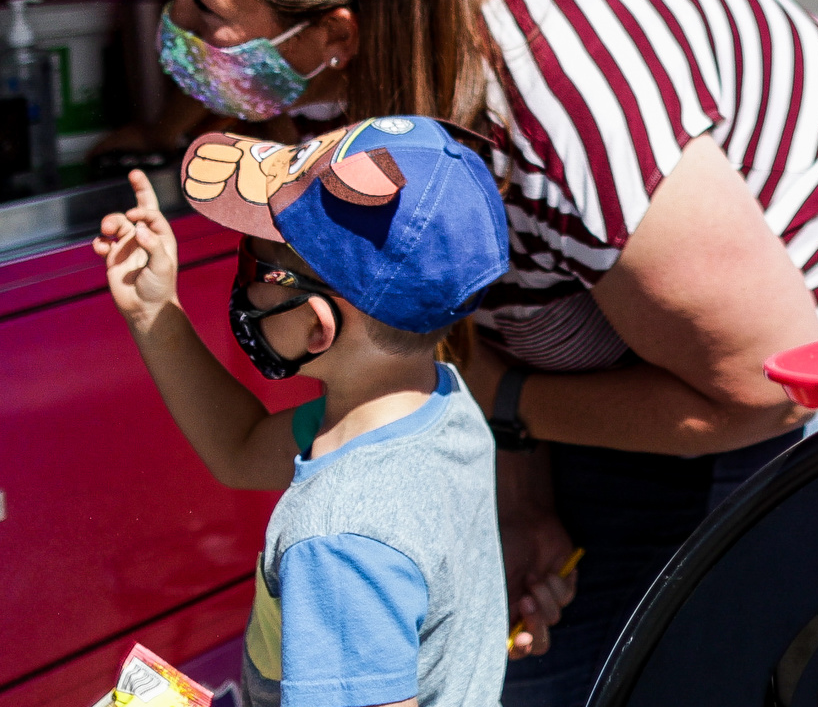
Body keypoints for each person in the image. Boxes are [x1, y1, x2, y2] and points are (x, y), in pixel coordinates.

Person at [139, 0, 818, 707]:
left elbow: (764, 390)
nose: (176, 25)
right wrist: (522, 493)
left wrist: (505, 407)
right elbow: (459, 304)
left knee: (717, 662)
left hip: (814, 350)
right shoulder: (333, 85)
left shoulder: (568, 102)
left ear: (334, 30)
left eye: (204, 7)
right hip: (615, 364)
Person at [94, 117, 511, 707]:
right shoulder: (438, 404)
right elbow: (239, 448)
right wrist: (155, 313)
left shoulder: (338, 537)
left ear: (318, 324)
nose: (240, 282)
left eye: (254, 265)